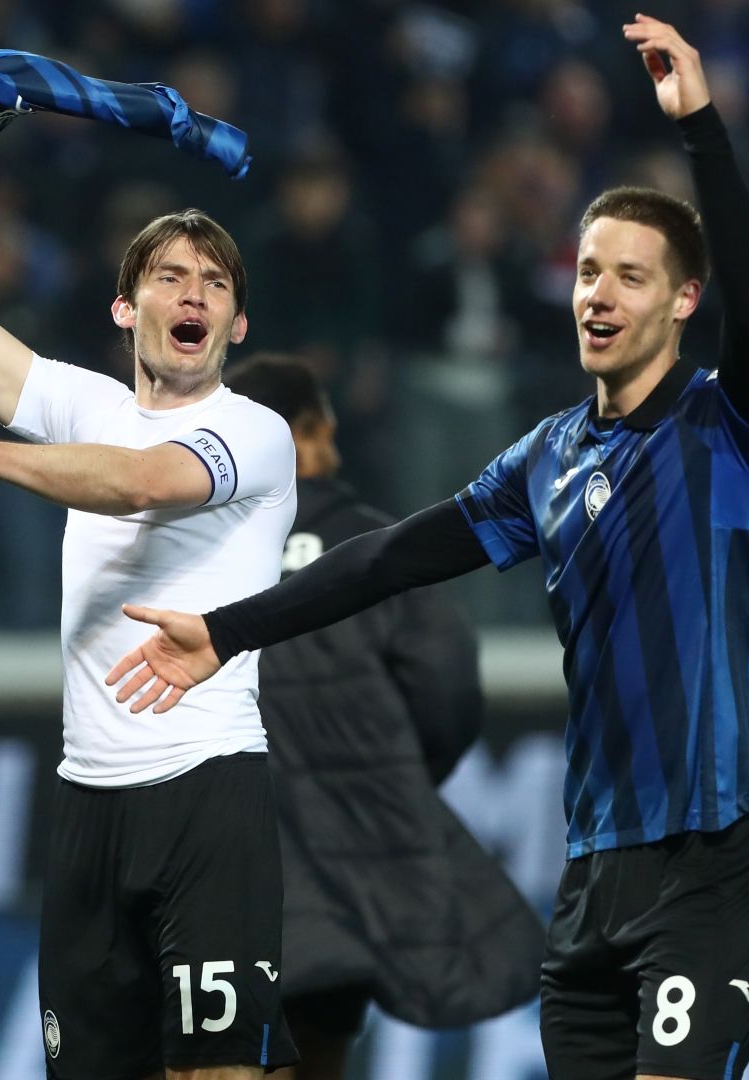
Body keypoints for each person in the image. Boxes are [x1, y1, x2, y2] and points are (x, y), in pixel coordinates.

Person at [107, 17, 749, 1080]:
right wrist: (226, 632)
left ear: (683, 302)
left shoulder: (729, 429)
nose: (598, 296)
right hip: (597, 858)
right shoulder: (545, 459)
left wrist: (700, 128)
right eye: (587, 272)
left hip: (721, 845)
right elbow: (384, 561)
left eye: (630, 277)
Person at [0, 61, 301, 1080]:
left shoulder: (253, 434)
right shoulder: (84, 404)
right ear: (127, 308)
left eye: (215, 283)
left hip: (208, 794)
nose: (194, 293)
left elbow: (136, 484)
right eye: (170, 277)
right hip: (87, 806)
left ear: (237, 327)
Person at [220, 353, 543, 1080]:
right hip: (360, 863)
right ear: (301, 437)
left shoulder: (191, 554)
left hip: (227, 866)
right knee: (321, 1050)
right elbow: (449, 691)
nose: (332, 447)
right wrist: (391, 776)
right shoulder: (380, 551)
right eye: (323, 430)